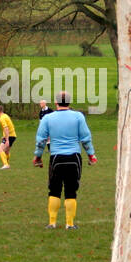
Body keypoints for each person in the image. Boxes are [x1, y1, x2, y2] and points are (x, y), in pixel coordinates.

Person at [33, 91, 97, 229]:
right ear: (69, 102)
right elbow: (85, 138)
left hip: (56, 158)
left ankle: (52, 223)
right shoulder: (78, 116)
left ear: (56, 103)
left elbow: (41, 140)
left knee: (54, 190)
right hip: (74, 158)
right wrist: (91, 154)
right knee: (71, 191)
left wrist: (38, 156)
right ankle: (70, 224)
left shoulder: (48, 118)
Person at [0, 105, 17, 170]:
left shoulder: (2, 118)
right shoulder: (5, 115)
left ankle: (6, 164)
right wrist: (4, 136)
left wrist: (7, 139)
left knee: (0, 149)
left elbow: (6, 128)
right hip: (13, 135)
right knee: (6, 151)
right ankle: (7, 164)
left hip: (10, 136)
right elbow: (10, 126)